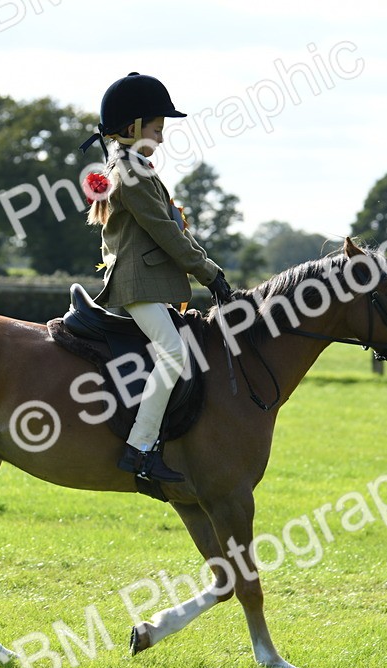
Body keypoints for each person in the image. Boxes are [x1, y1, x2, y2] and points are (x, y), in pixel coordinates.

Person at [80, 72, 231, 483]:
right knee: (174, 354)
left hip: (144, 282)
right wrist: (209, 274)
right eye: (157, 128)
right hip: (136, 284)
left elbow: (172, 228)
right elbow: (166, 232)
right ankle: (140, 448)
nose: (162, 138)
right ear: (132, 128)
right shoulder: (131, 173)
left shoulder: (131, 167)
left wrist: (208, 269)